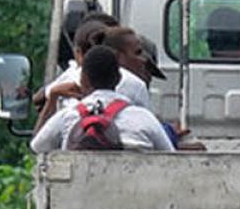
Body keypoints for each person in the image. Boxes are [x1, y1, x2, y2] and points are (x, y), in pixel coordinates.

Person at [31, 46, 174, 154]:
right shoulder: (144, 118)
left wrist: (52, 100)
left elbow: (37, 147)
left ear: (83, 79)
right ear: (118, 78)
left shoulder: (68, 116)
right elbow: (170, 157)